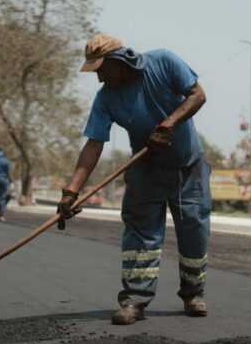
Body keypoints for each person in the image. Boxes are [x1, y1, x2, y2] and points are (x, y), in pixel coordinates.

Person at [58, 33, 211, 325]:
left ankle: (193, 294)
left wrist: (168, 124)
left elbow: (198, 95)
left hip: (186, 168)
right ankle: (135, 301)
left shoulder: (164, 62)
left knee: (193, 231)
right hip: (145, 169)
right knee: (141, 235)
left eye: (102, 69)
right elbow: (94, 143)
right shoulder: (106, 98)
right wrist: (71, 191)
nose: (100, 78)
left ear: (120, 60)